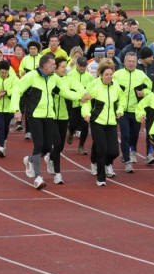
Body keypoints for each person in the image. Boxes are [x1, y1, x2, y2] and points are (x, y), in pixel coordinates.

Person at [11, 54, 83, 190]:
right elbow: (17, 90)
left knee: (48, 147)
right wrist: (16, 109)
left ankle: (30, 160)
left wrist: (80, 97)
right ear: (44, 66)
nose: (55, 66)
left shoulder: (54, 78)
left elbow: (64, 92)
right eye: (52, 64)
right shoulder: (31, 76)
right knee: (38, 144)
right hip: (34, 115)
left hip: (49, 115)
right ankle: (38, 177)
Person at [82, 61, 126, 186]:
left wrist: (120, 110)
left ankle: (106, 163)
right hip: (97, 122)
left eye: (111, 74)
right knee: (102, 149)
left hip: (111, 122)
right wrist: (86, 114)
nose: (109, 76)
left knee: (114, 152)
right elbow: (86, 102)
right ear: (101, 75)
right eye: (106, 74)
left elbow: (121, 100)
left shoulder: (116, 87)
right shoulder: (94, 87)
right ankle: (101, 178)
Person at [48, 57, 89, 184]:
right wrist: (79, 97)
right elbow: (64, 93)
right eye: (62, 67)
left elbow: (80, 89)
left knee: (60, 146)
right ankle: (58, 174)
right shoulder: (50, 80)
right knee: (57, 143)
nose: (65, 69)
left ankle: (50, 158)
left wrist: (84, 94)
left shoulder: (70, 79)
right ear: (55, 68)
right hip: (51, 115)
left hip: (65, 116)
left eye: (66, 66)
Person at [113, 52, 152, 170]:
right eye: (128, 61)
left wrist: (143, 93)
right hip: (123, 110)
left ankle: (126, 149)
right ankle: (127, 161)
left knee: (134, 136)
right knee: (125, 135)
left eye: (133, 61)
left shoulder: (141, 75)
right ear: (124, 62)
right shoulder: (117, 75)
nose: (131, 63)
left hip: (136, 110)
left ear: (136, 62)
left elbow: (150, 89)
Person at [66, 56, 94, 154]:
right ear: (76, 64)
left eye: (84, 66)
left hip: (85, 105)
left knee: (85, 126)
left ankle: (81, 146)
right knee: (73, 123)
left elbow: (92, 89)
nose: (82, 68)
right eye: (80, 65)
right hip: (73, 104)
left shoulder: (90, 76)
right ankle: (71, 131)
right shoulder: (70, 75)